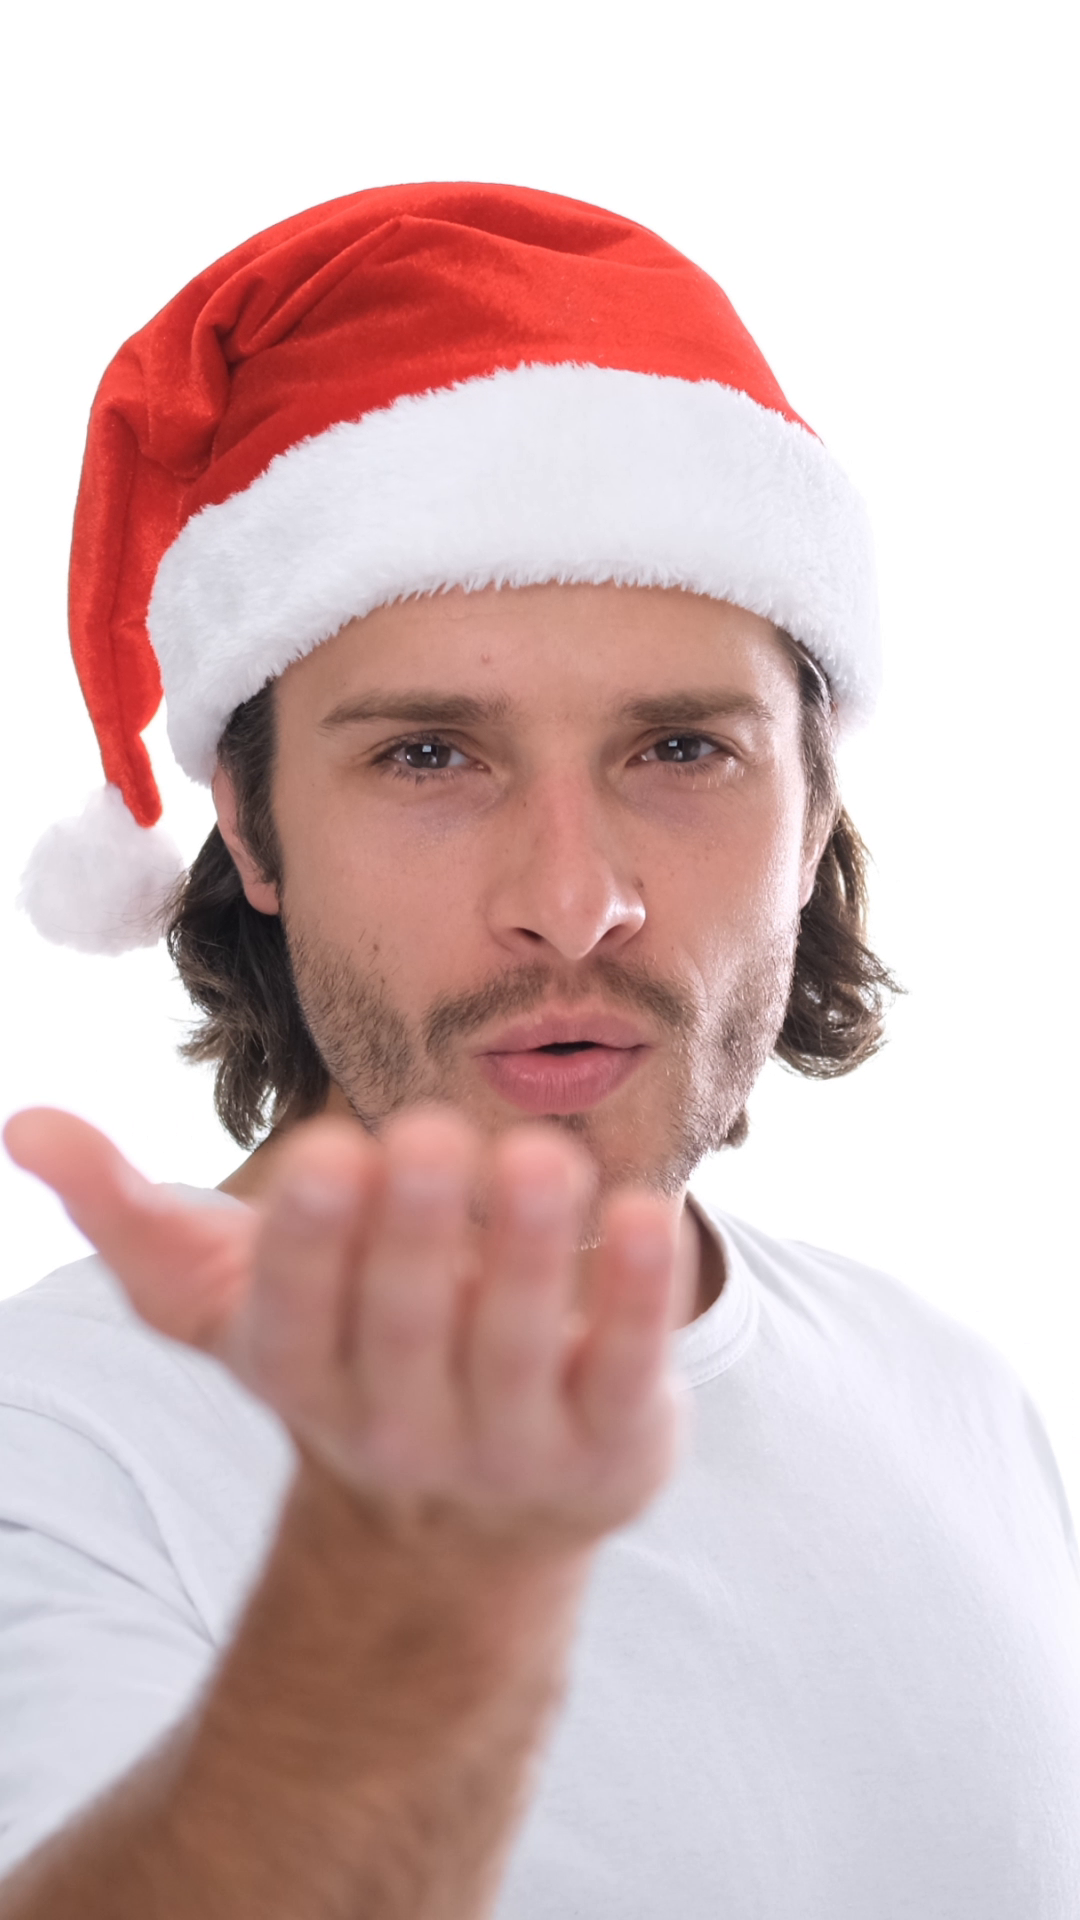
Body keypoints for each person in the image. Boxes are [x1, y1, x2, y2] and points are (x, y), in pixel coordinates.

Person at [1, 183, 1078, 1920]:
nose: (574, 905)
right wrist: (402, 1632)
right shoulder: (59, 1443)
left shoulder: (957, 1400)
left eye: (680, 750)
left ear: (814, 808)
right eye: (430, 756)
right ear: (251, 832)